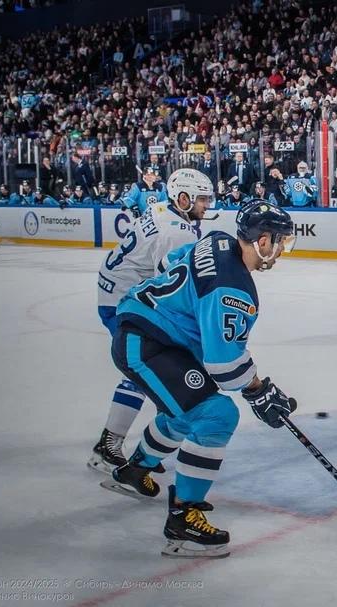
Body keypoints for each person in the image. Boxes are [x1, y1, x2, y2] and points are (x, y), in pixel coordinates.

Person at [100, 199, 297, 558]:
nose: (283, 250)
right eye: (282, 241)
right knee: (215, 415)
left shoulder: (217, 241)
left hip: (150, 331)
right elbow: (224, 366)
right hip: (146, 343)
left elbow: (168, 263)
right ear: (264, 240)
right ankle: (183, 520)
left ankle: (135, 470)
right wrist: (260, 391)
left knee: (187, 409)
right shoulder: (233, 290)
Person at [90, 169, 216, 474]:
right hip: (121, 300)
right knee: (144, 367)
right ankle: (108, 447)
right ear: (183, 198)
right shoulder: (177, 232)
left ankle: (149, 443)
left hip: (117, 289)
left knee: (154, 369)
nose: (206, 206)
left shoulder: (161, 207)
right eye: (201, 199)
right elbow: (171, 283)